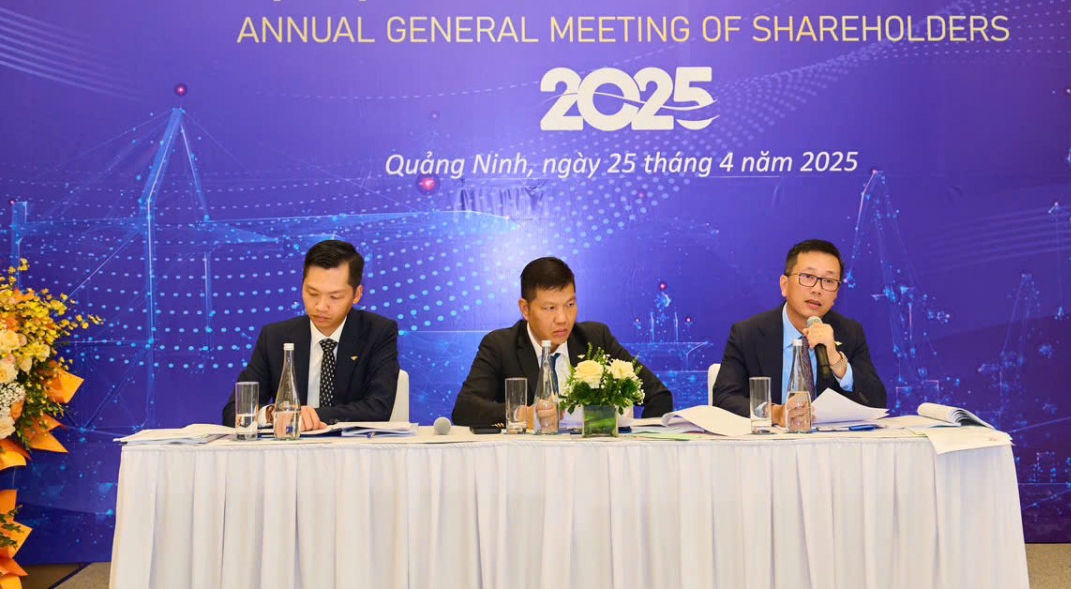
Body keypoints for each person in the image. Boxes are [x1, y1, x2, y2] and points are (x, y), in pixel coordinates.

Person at [452, 256, 673, 427]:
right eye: (550, 308)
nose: (563, 318)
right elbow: (464, 409)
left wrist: (641, 441)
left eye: (570, 305)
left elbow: (659, 396)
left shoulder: (596, 339)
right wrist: (523, 414)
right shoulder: (501, 345)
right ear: (525, 309)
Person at [221, 240, 399, 431]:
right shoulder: (275, 337)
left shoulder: (378, 332)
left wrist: (308, 416)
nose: (321, 306)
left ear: (357, 294)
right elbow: (235, 412)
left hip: (351, 448)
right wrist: (274, 414)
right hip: (290, 448)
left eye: (335, 297)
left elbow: (378, 408)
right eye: (312, 293)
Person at [712, 239, 886, 421]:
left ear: (836, 294)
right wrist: (776, 413)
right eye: (808, 277)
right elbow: (724, 399)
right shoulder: (748, 333)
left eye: (828, 281)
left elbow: (877, 403)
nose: (817, 289)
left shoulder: (850, 332)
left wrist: (836, 361)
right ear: (784, 285)